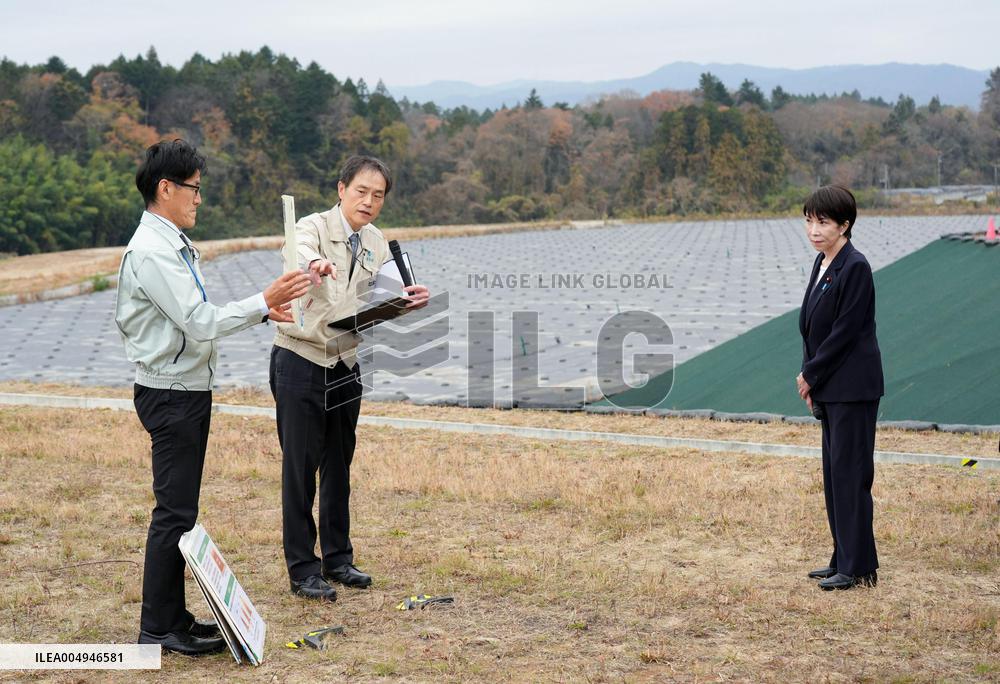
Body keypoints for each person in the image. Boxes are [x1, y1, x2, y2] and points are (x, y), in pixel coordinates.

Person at [115, 139, 313, 654]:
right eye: (194, 188)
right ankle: (158, 629)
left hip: (184, 390)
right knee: (174, 513)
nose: (199, 198)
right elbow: (199, 322)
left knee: (180, 511)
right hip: (171, 394)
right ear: (166, 188)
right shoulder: (154, 250)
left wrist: (264, 311)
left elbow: (197, 320)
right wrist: (263, 300)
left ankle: (172, 619)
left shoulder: (170, 243)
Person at [271, 155, 429, 601]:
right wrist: (315, 263)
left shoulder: (375, 241)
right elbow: (296, 251)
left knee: (339, 465)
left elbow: (373, 303)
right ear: (341, 189)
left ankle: (337, 559)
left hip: (345, 363)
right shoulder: (313, 227)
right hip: (300, 359)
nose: (369, 201)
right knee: (300, 469)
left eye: (378, 195)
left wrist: (405, 302)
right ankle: (303, 569)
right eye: (361, 191)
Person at [796, 185, 884, 591]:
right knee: (835, 476)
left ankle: (859, 568)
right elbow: (811, 326)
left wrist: (810, 374)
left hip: (852, 387)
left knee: (851, 475)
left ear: (844, 225)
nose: (814, 230)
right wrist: (810, 374)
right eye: (809, 221)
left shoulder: (855, 266)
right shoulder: (823, 261)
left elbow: (845, 332)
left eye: (823, 222)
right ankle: (842, 558)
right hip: (830, 385)